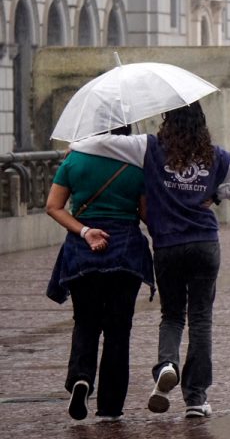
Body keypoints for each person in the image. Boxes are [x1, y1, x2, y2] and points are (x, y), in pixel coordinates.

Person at [70, 103, 230, 418]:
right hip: (204, 243)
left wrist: (76, 145)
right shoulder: (215, 155)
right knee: (201, 319)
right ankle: (196, 399)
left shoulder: (149, 147)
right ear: (201, 123)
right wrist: (215, 195)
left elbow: (101, 143)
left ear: (166, 122)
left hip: (168, 244)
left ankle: (167, 365)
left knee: (172, 315)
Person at [45, 126, 152, 422]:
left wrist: (85, 230)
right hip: (126, 252)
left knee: (86, 322)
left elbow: (53, 207)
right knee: (119, 329)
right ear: (127, 128)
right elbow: (145, 213)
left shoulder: (74, 159)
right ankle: (110, 406)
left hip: (82, 251)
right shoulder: (136, 162)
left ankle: (81, 379)